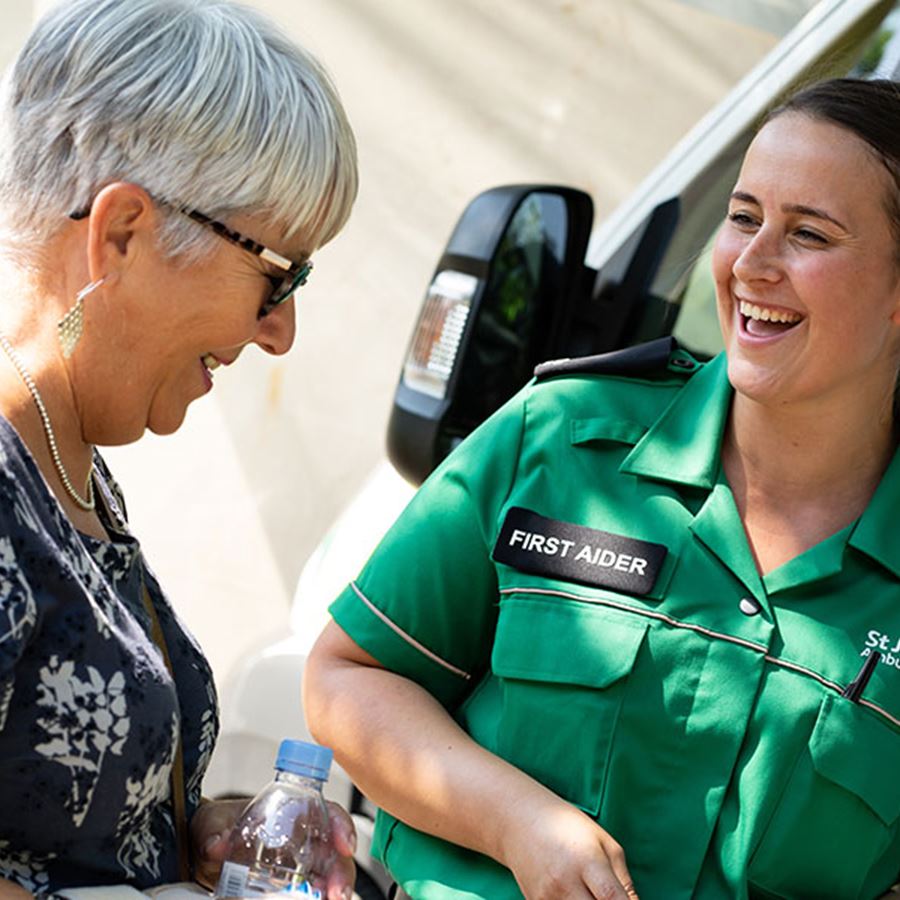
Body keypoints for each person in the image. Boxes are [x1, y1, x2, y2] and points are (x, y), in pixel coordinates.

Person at [304, 76, 900, 900]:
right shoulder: (558, 436)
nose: (751, 263)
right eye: (742, 217)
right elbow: (350, 678)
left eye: (809, 234)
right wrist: (517, 822)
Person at [0, 0, 358, 896]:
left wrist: (188, 831)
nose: (280, 333)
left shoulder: (67, 462)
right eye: (279, 276)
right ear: (123, 232)